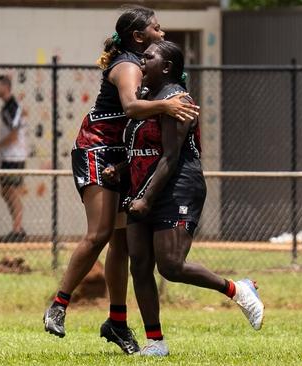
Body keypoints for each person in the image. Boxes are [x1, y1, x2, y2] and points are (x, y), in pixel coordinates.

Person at [43, 6, 199, 355]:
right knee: (99, 233)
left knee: (122, 243)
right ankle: (58, 304)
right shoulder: (128, 64)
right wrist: (166, 106)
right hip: (98, 149)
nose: (163, 32)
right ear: (139, 36)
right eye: (157, 29)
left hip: (122, 156)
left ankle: (116, 321)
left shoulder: (148, 65)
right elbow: (129, 106)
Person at [108, 41, 264, 356]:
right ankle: (156, 343)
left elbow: (169, 156)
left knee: (171, 265)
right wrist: (122, 169)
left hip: (177, 187)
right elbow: (144, 150)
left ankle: (237, 289)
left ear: (166, 67)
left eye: (149, 57)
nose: (142, 60)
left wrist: (147, 200)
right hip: (143, 188)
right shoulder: (147, 99)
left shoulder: (178, 101)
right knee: (139, 264)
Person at [0, 75, 27, 242]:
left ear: (6, 86)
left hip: (14, 156)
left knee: (11, 192)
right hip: (7, 156)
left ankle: (17, 230)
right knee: (5, 191)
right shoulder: (6, 107)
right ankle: (17, 227)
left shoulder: (12, 107)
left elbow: (14, 135)